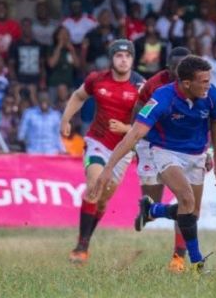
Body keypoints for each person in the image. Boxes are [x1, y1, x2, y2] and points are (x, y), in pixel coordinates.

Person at [91, 55, 216, 274]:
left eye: (209, 80)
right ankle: (197, 262)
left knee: (192, 213)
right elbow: (133, 135)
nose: (208, 85)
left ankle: (152, 209)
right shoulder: (162, 98)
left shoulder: (211, 95)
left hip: (198, 154)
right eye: (203, 81)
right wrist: (108, 168)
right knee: (186, 199)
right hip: (165, 151)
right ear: (186, 83)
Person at [60, 39, 145, 264]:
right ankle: (81, 246)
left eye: (128, 56)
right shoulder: (96, 79)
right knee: (94, 185)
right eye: (119, 56)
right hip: (97, 142)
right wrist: (66, 118)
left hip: (124, 150)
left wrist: (127, 129)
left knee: (103, 200)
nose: (123, 60)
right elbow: (79, 96)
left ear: (133, 59)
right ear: (112, 58)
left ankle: (86, 239)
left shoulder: (141, 86)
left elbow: (149, 121)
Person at [108, 47, 193, 272]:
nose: (182, 71)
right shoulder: (154, 85)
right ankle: (150, 212)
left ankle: (178, 257)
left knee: (185, 200)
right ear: (168, 68)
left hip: (182, 148)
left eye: (186, 67)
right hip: (151, 144)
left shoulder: (196, 85)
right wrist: (137, 139)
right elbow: (138, 112)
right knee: (152, 200)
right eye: (177, 68)